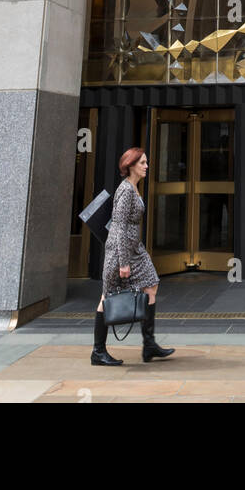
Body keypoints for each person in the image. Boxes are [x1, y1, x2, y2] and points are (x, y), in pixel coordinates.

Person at [91, 146, 175, 367]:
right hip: (121, 252)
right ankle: (98, 352)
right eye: (142, 163)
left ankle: (149, 344)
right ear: (130, 166)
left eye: (146, 162)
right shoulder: (125, 190)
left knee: (151, 285)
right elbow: (118, 227)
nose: (147, 166)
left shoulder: (134, 188)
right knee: (106, 297)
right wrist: (123, 262)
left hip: (135, 249)